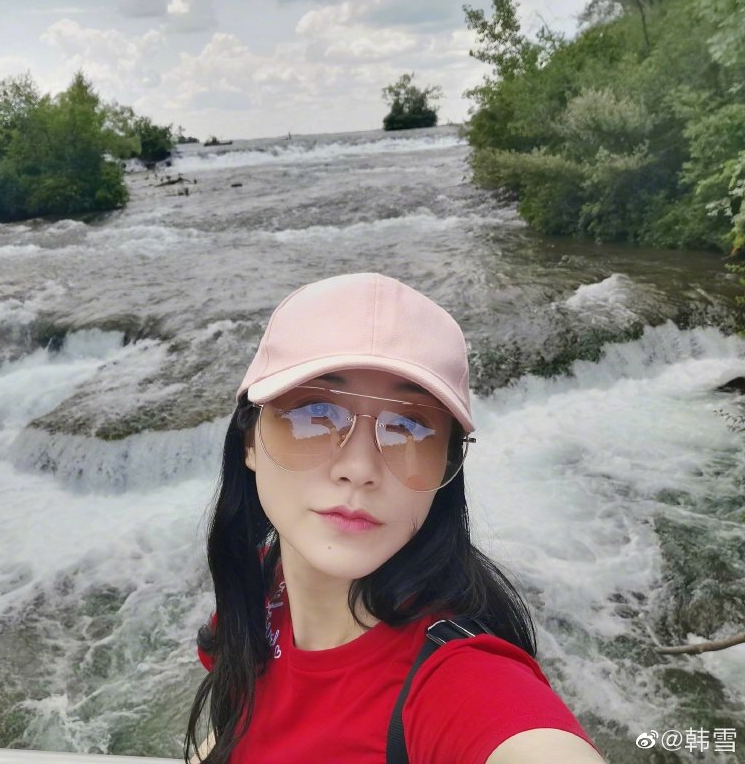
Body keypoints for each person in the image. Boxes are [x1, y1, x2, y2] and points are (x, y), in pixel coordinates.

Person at [184, 273, 606, 764]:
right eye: (314, 414)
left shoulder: (455, 681)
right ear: (249, 440)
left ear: (448, 463)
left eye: (409, 428)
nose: (360, 468)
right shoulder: (260, 587)